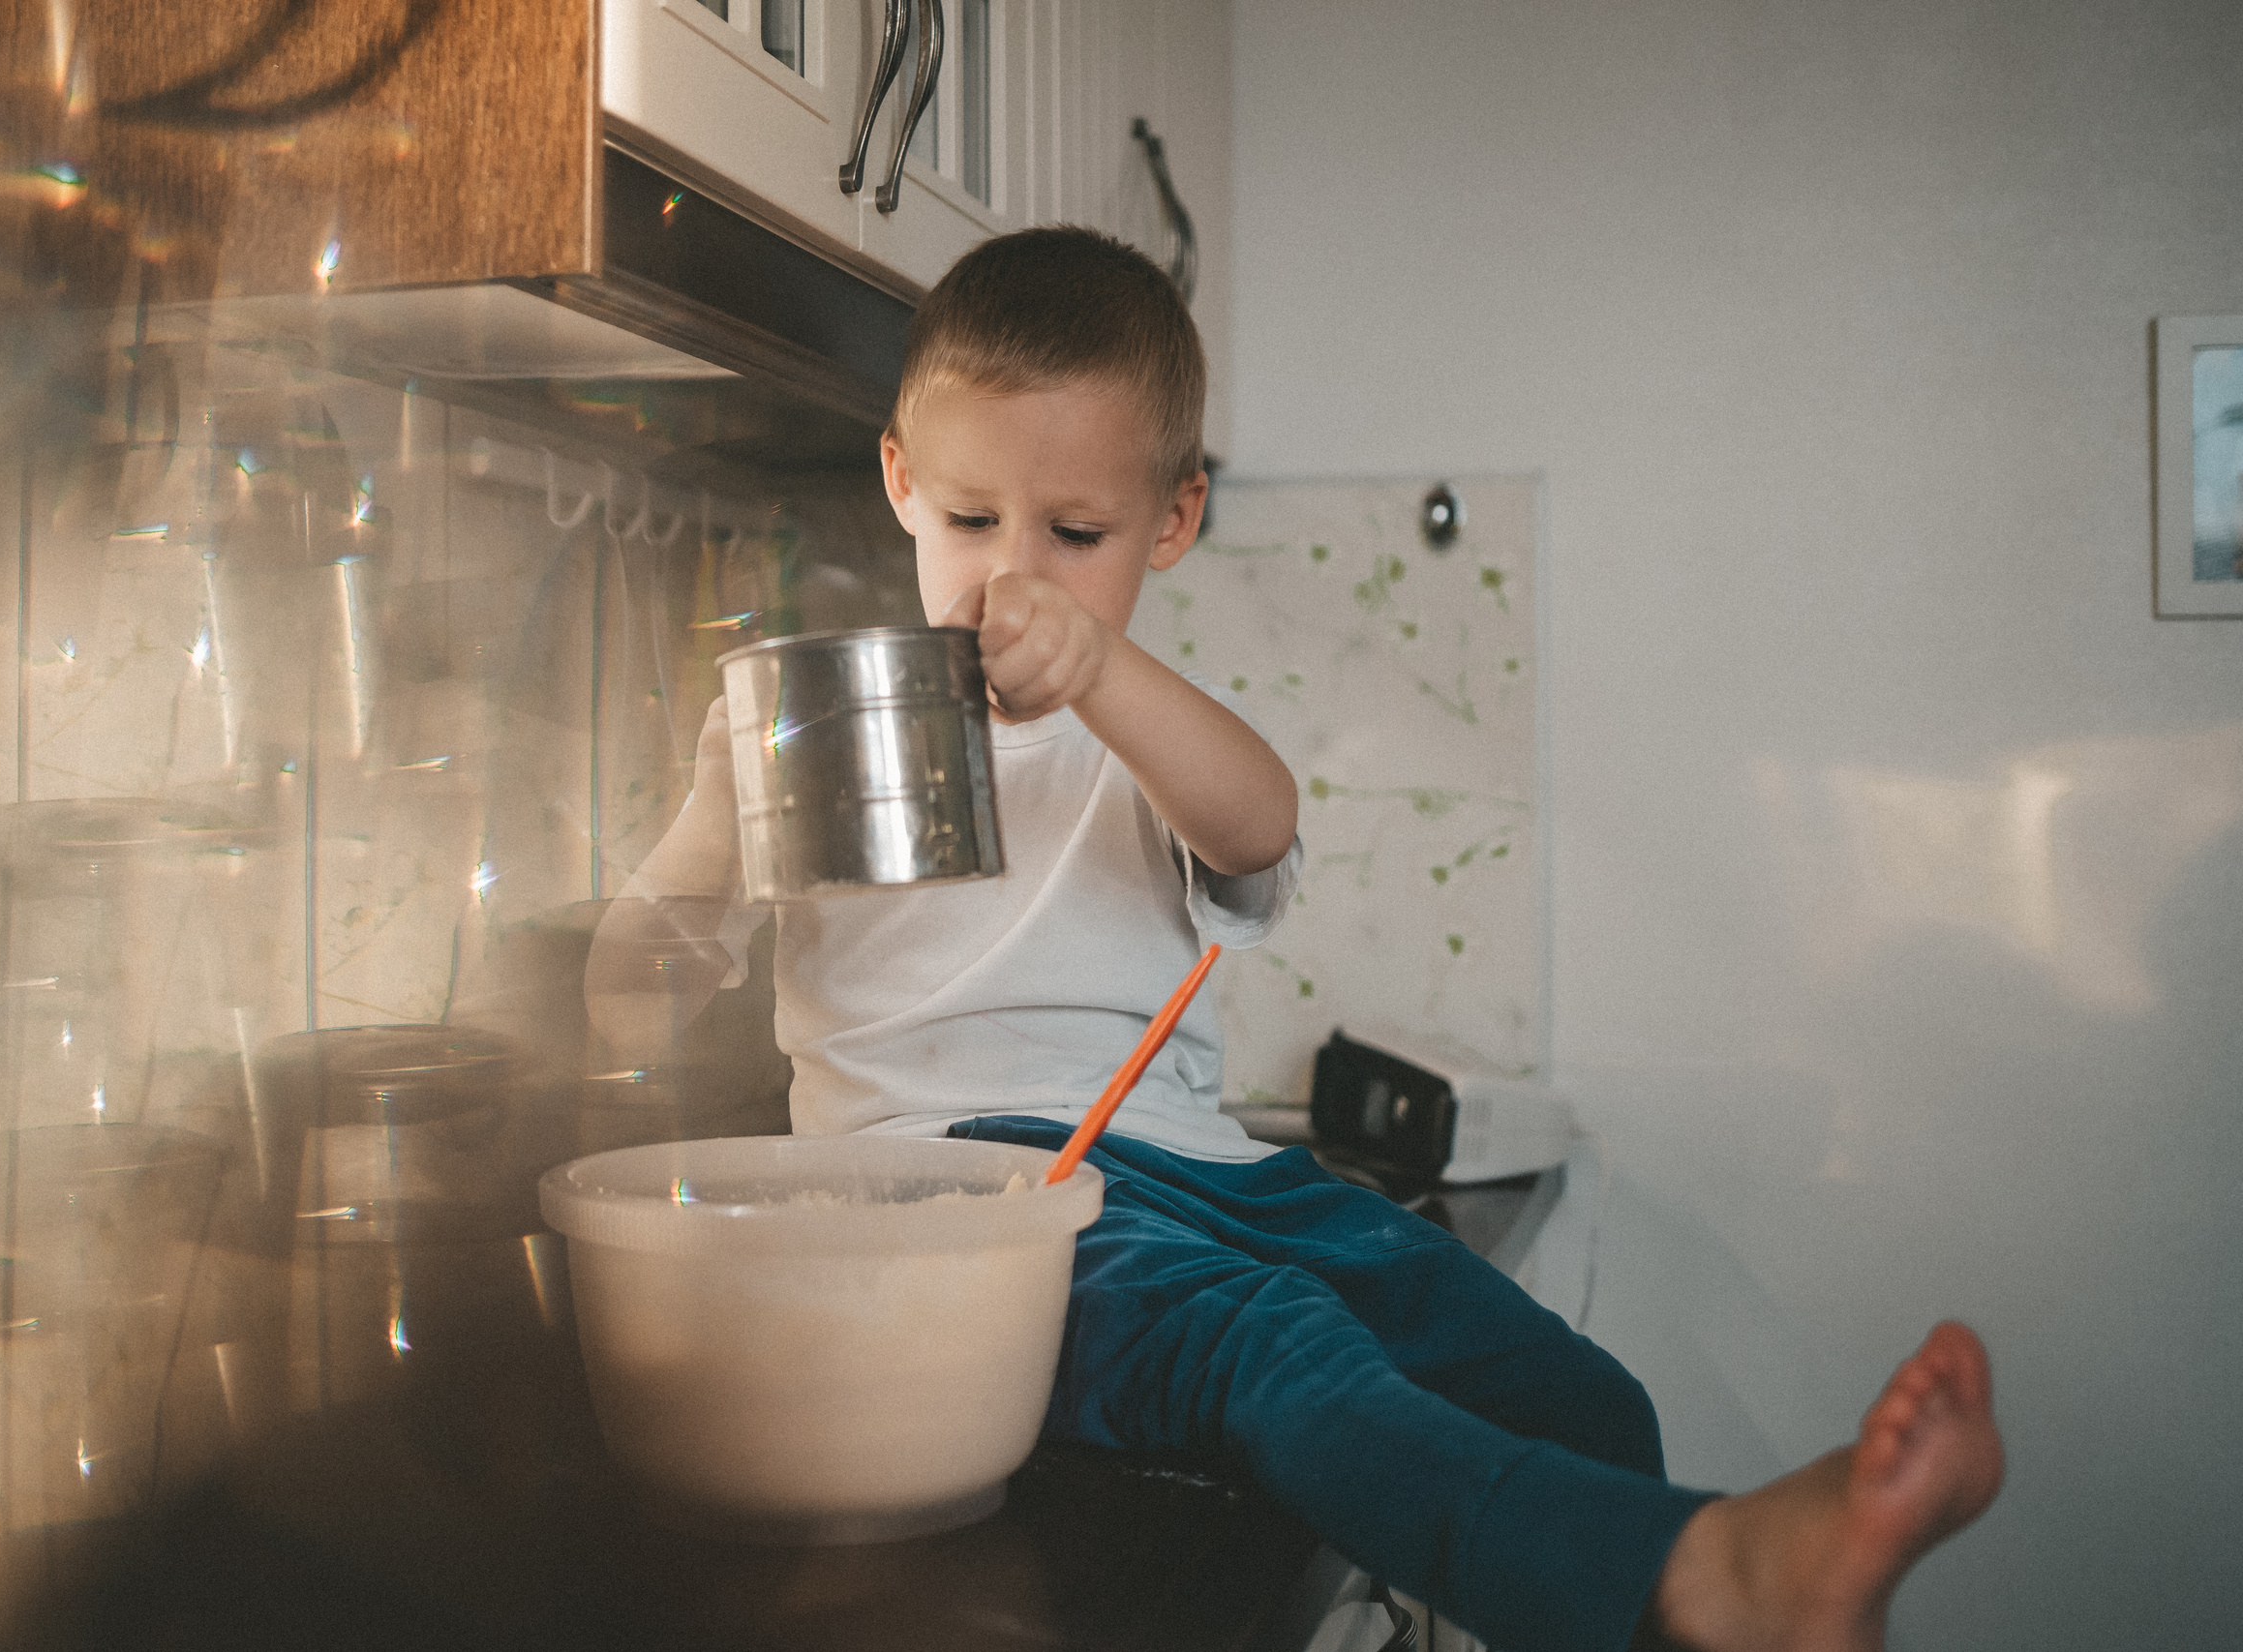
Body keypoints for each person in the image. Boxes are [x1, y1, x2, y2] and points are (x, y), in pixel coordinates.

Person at [584, 226, 2003, 1652]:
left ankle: (1671, 1567)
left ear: (1173, 521)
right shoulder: (793, 731)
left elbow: (1256, 826)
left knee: (1575, 1397)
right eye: (970, 519)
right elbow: (624, 1004)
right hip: (957, 1210)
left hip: (1205, 1174)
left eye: (1074, 535)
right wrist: (714, 826)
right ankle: (1701, 1584)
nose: (1012, 578)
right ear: (899, 480)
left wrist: (1102, 675)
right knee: (1270, 1348)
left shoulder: (1139, 730)